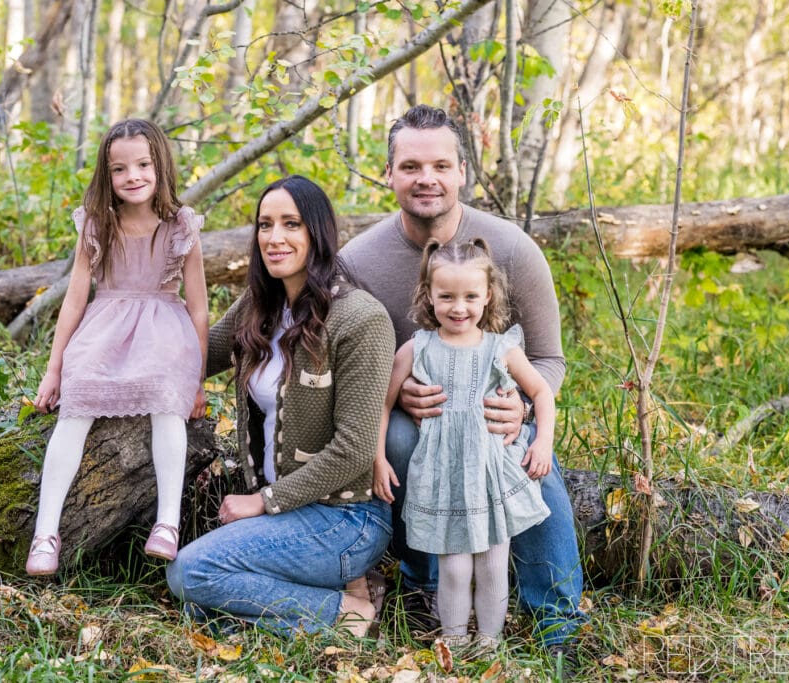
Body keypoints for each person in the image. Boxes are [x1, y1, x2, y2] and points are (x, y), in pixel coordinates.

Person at [340, 104, 586, 650]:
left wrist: (522, 407)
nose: (426, 178)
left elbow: (549, 359)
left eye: (440, 166)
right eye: (410, 166)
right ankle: (424, 586)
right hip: (416, 422)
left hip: (493, 415)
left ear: (462, 172)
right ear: (389, 173)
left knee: (528, 458)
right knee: (398, 439)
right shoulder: (357, 261)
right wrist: (398, 392)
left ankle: (557, 618)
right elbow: (345, 365)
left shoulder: (512, 250)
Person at [166, 175, 395, 637]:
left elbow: (354, 450)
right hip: (287, 516)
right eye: (265, 224)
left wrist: (263, 501)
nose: (274, 238)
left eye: (291, 224)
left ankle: (349, 615)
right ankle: (330, 598)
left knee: (191, 573)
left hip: (344, 519)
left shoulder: (360, 319)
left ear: (318, 232)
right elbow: (197, 355)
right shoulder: (260, 304)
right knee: (201, 609)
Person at [25, 119, 209, 575]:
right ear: (106, 175)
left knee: (166, 401)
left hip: (164, 331)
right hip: (104, 329)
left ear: (159, 165)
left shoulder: (181, 226)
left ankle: (167, 523)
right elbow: (74, 300)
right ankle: (45, 533)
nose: (133, 176)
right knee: (77, 402)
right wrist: (54, 370)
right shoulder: (97, 225)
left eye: (143, 165)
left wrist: (197, 380)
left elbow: (199, 308)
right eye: (120, 169)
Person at [375, 238, 555, 650]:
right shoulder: (418, 348)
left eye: (471, 296)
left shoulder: (500, 348)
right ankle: (453, 643)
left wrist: (542, 442)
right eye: (447, 297)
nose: (459, 308)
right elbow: (383, 404)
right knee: (454, 569)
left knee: (492, 565)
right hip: (443, 475)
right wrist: (378, 458)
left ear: (488, 295)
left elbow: (541, 392)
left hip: (490, 473)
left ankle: (489, 642)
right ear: (428, 295)